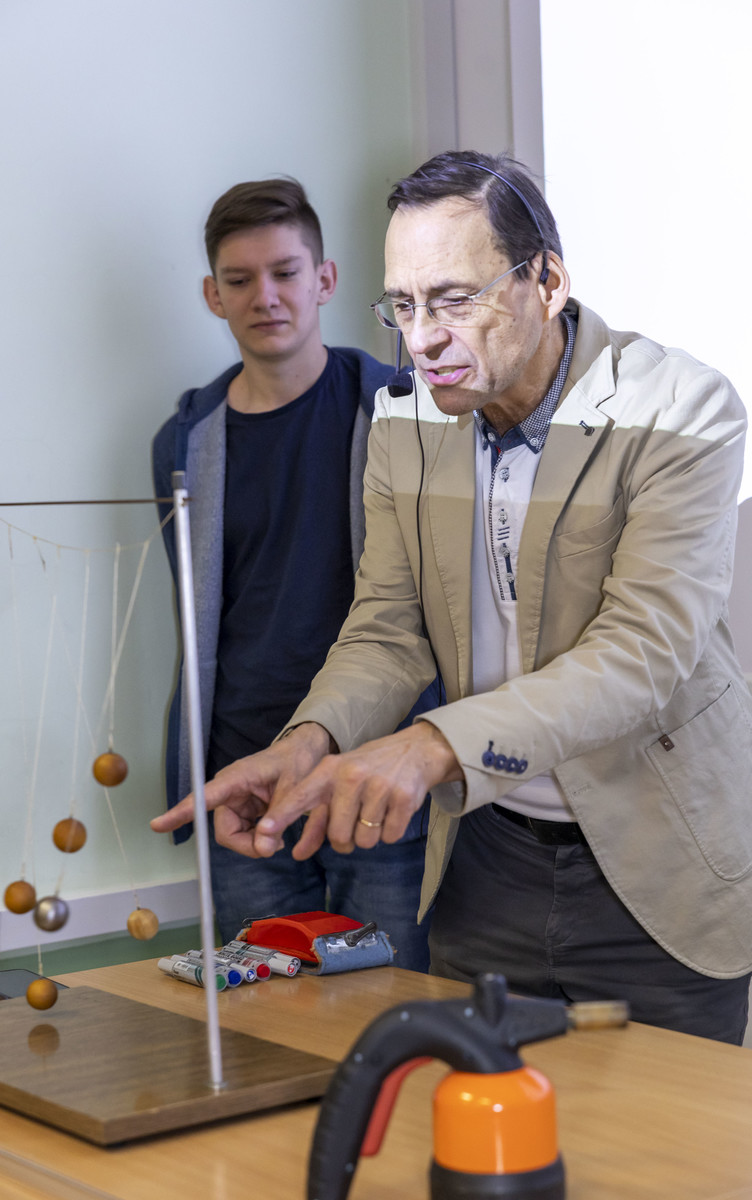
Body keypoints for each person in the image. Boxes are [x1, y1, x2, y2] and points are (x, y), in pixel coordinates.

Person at [152, 152, 752, 1042]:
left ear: (546, 281)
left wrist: (430, 745)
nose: (422, 339)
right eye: (402, 306)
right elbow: (387, 632)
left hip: (658, 866)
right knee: (476, 1122)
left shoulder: (680, 407)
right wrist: (308, 744)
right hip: (486, 862)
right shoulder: (406, 419)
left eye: (453, 299)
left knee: (662, 1132)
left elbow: (642, 654)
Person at [152, 176, 433, 968]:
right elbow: (199, 611)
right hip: (246, 776)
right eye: (240, 280)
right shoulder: (184, 442)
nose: (265, 296)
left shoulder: (403, 410)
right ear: (213, 295)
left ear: (325, 279)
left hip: (374, 767)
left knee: (391, 1001)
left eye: (284, 272)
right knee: (267, 1015)